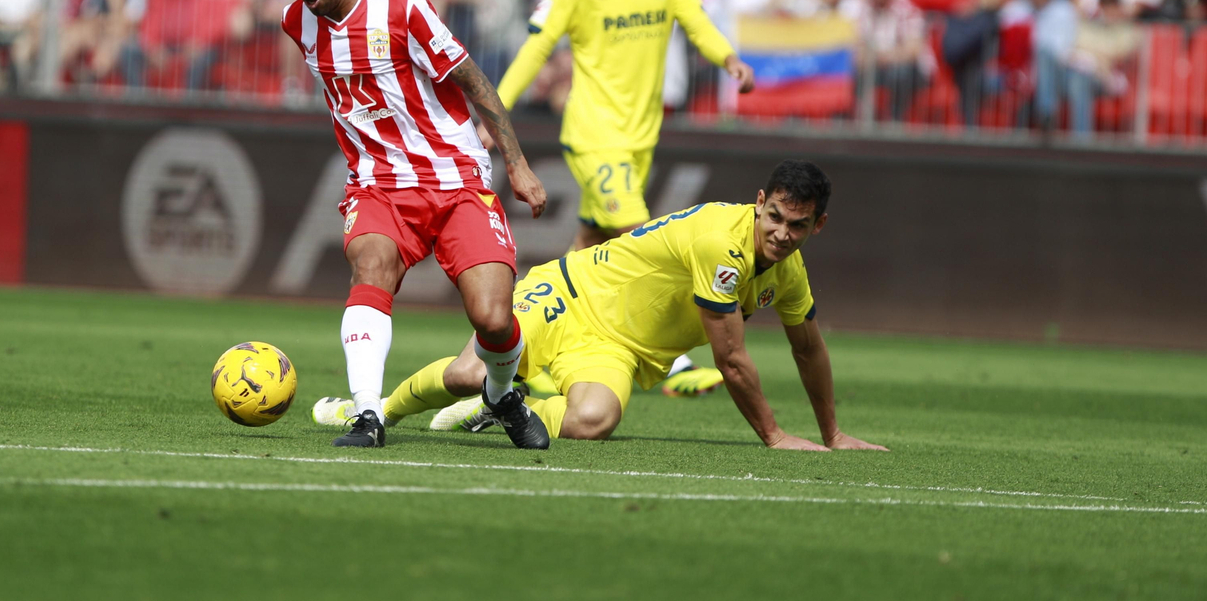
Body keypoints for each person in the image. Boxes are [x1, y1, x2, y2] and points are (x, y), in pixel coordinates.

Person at [316, 161, 888, 452]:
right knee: (467, 372)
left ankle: (499, 406)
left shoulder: (790, 274)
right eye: (776, 218)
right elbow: (732, 359)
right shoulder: (723, 241)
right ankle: (371, 410)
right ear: (759, 204)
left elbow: (807, 347)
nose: (784, 234)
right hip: (570, 293)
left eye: (799, 226)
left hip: (618, 349)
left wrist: (832, 433)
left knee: (593, 422)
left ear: (819, 225)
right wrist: (775, 435)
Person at [279, 0, 551, 450]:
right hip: (378, 184)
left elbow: (474, 82)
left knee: (493, 318)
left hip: (456, 179)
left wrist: (517, 163)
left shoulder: (403, 8)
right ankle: (366, 415)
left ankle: (500, 396)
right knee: (370, 264)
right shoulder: (296, 22)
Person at [495, 0, 756, 262]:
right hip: (594, 134)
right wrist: (494, 113)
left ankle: (518, 320)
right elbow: (537, 48)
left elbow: (698, 24)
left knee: (587, 248)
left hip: (641, 135)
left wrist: (729, 57)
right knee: (644, 243)